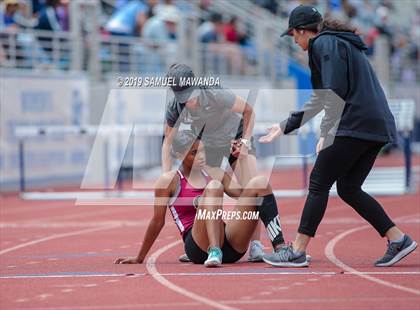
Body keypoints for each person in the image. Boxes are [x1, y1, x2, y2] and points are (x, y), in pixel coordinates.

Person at [260, 5, 417, 267]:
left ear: (302, 31)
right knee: (348, 188)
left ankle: (297, 250)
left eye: (294, 36)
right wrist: (287, 124)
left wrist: (327, 131)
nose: (296, 43)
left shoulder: (324, 44)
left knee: (318, 182)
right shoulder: (339, 42)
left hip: (355, 122)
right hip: (375, 124)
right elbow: (326, 96)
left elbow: (334, 91)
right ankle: (398, 239)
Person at [114, 130, 285, 267]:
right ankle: (214, 250)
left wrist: (240, 159)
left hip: (230, 245)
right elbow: (157, 221)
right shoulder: (168, 181)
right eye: (195, 153)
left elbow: (247, 197)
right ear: (180, 155)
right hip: (197, 247)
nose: (201, 156)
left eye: (203, 150)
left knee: (260, 183)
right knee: (214, 187)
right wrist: (139, 257)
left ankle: (281, 249)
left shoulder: (214, 172)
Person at [163, 63, 265, 262]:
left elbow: (249, 111)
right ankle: (203, 242)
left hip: (234, 137)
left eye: (191, 96)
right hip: (207, 143)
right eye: (184, 99)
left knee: (249, 189)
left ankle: (256, 245)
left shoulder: (214, 91)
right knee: (206, 190)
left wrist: (244, 142)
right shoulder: (175, 106)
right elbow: (168, 142)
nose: (189, 103)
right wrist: (167, 175)